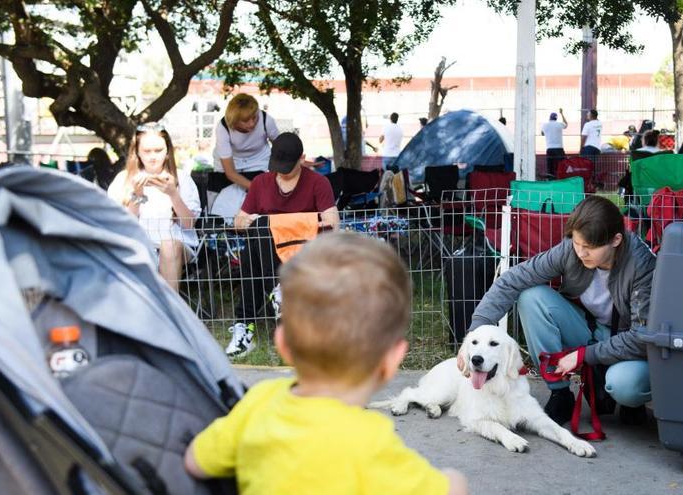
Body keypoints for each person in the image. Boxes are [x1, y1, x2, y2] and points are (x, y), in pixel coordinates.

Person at [184, 232, 469, 495]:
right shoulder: (371, 443)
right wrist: (455, 480)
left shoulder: (258, 402)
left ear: (283, 344)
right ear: (392, 360)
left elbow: (196, 461)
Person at [467, 196, 656, 425]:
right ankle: (560, 393)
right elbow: (513, 280)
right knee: (531, 297)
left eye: (590, 247)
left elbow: (642, 336)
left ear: (616, 240)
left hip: (631, 343)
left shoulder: (643, 264)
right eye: (577, 243)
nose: (581, 253)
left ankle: (629, 402)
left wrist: (584, 355)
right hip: (591, 329)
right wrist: (474, 335)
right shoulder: (571, 250)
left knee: (623, 385)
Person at [225, 132, 339, 359]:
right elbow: (239, 221)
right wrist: (259, 223)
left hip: (303, 251)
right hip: (266, 253)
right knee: (258, 234)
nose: (282, 171)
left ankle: (247, 323)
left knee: (258, 236)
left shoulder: (318, 182)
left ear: (302, 158)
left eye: (288, 166)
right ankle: (276, 295)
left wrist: (288, 225)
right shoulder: (261, 182)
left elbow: (332, 222)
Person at [108, 123, 201, 291]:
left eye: (158, 151)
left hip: (177, 246)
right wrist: (137, 195)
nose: (153, 157)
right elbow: (123, 226)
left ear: (167, 151)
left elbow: (188, 224)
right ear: (137, 152)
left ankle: (168, 309)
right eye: (147, 151)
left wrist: (173, 194)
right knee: (135, 248)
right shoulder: (124, 179)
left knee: (169, 245)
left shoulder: (182, 178)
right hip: (139, 246)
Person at [540, 108, 568, 177]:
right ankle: (561, 178)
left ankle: (551, 179)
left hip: (550, 149)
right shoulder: (559, 124)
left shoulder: (545, 125)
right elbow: (566, 124)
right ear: (556, 118)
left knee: (550, 167)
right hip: (559, 149)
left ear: (549, 118)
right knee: (562, 165)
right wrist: (562, 113)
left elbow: (542, 133)